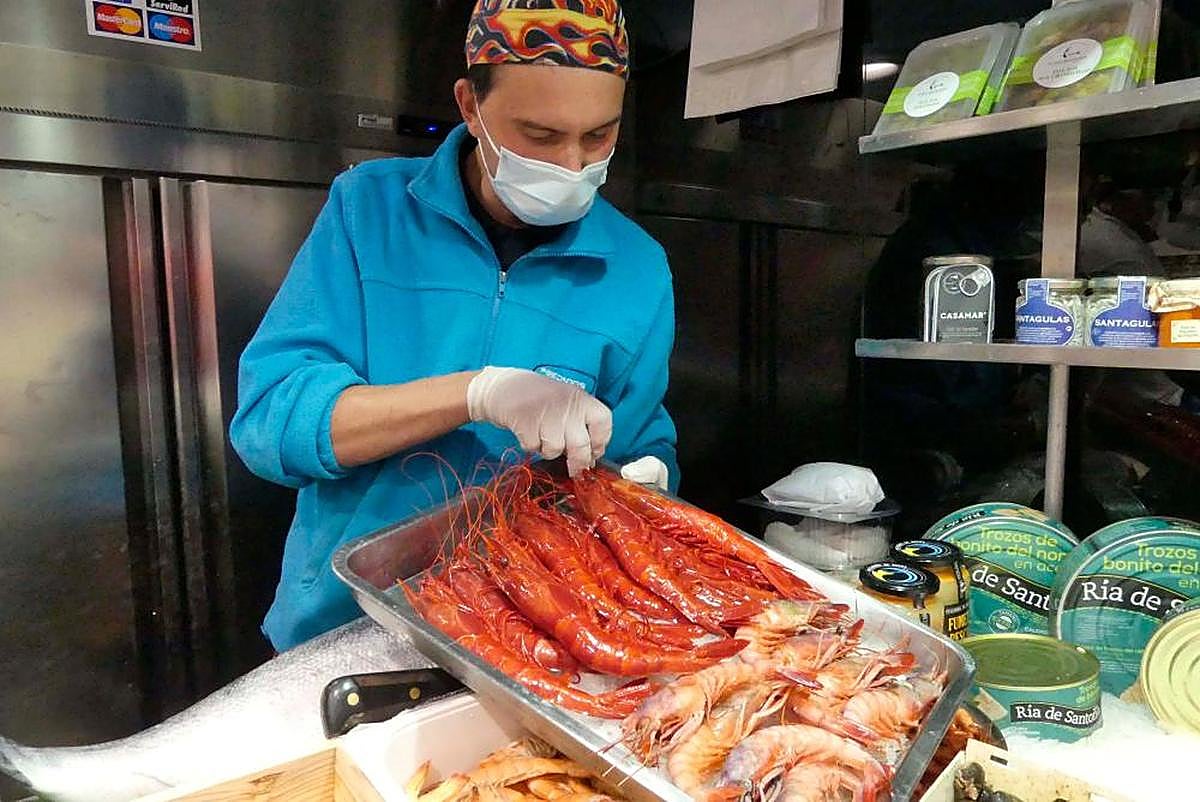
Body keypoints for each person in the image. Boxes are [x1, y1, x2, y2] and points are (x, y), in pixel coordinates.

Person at [231, 0, 679, 652]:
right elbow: (273, 423)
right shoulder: (371, 213)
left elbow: (643, 447)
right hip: (349, 624)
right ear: (470, 106)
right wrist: (477, 393)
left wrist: (647, 483)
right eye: (540, 137)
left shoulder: (636, 270)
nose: (574, 164)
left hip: (534, 640)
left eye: (600, 135)